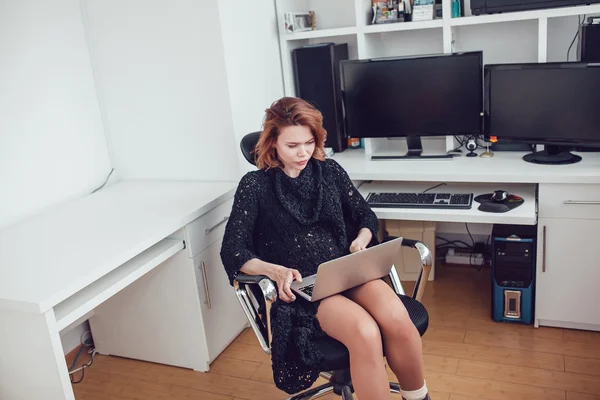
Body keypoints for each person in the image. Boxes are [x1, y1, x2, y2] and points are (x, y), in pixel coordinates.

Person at [220, 97, 430, 400]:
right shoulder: (254, 186)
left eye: (309, 142)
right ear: (272, 142)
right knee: (365, 332)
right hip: (304, 290)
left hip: (346, 270)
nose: (303, 152)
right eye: (293, 145)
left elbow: (364, 215)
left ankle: (419, 397)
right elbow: (233, 250)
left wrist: (362, 238)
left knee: (398, 320)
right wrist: (273, 270)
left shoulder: (329, 171)